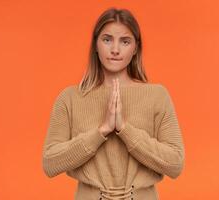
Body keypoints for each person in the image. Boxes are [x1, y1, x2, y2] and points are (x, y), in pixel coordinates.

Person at [42, 7, 185, 200]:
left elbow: (175, 164)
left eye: (125, 41)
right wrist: (101, 131)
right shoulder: (70, 98)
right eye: (107, 39)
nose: (115, 49)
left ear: (135, 48)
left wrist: (124, 130)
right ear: (95, 44)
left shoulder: (157, 96)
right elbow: (50, 163)